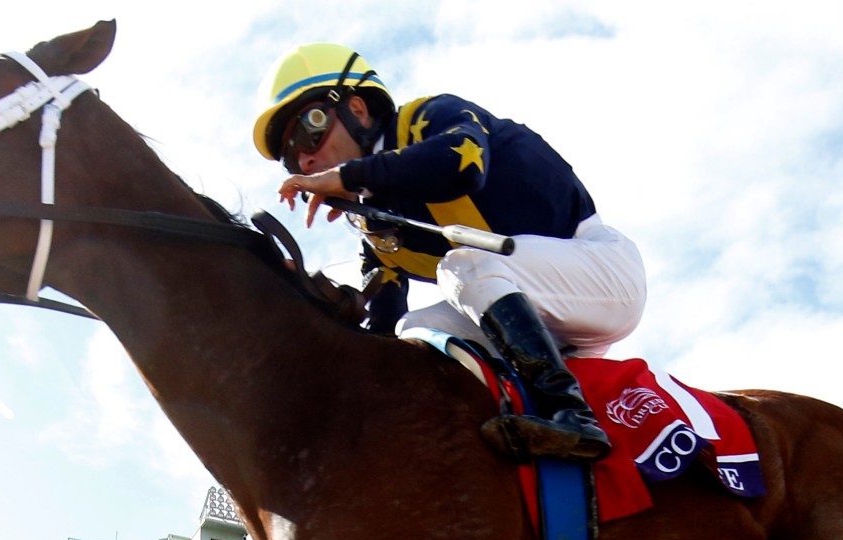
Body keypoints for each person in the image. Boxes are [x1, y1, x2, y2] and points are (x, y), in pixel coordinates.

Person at [255, 43, 646, 463]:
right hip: (550, 320)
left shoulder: (431, 117)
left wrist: (348, 176)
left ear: (357, 108)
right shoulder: (376, 230)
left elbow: (462, 166)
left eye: (308, 130)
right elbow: (380, 335)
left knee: (463, 267)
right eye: (290, 157)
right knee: (415, 331)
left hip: (603, 273)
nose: (304, 158)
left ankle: (572, 414)